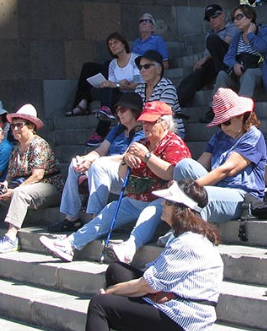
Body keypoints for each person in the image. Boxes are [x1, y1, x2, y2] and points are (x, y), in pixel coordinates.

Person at [48, 180, 222, 331]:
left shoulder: (187, 243)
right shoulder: (183, 237)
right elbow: (153, 280)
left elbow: (146, 286)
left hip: (184, 317)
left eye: (167, 202)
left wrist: (111, 293)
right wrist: (120, 288)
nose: (162, 205)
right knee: (117, 270)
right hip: (173, 301)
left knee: (100, 305)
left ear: (182, 211)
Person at [107, 89, 267, 264]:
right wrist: (181, 183)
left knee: (198, 197)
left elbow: (227, 170)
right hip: (216, 186)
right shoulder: (219, 136)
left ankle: (175, 249)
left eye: (226, 122)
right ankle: (146, 243)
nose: (223, 127)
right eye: (220, 123)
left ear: (241, 116)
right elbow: (199, 164)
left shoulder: (253, 136)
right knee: (183, 165)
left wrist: (187, 189)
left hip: (240, 194)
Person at [40, 102, 190, 263]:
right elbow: (122, 174)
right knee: (109, 210)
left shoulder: (174, 144)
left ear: (165, 123)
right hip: (136, 197)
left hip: (161, 199)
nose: (145, 126)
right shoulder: (142, 143)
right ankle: (70, 244)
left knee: (149, 213)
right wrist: (125, 160)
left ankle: (128, 249)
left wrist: (147, 156)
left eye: (151, 122)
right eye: (144, 121)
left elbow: (171, 173)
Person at [45, 93, 145, 235]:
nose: (119, 113)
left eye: (123, 110)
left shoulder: (142, 132)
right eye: (117, 110)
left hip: (126, 175)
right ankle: (71, 218)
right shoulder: (118, 129)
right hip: (103, 170)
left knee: (98, 166)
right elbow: (101, 150)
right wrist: (85, 159)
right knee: (75, 166)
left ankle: (96, 220)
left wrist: (95, 162)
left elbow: (127, 156)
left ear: (134, 111)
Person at [0, 105, 63, 254]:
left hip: (48, 185)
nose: (15, 129)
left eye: (19, 125)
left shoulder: (39, 144)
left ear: (31, 126)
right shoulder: (16, 148)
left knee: (20, 193)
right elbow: (11, 173)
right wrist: (5, 184)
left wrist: (14, 190)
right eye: (13, 126)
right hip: (27, 185)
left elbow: (38, 175)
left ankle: (11, 237)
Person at [203, 4, 267, 122]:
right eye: (234, 18)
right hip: (240, 73)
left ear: (249, 17)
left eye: (239, 17)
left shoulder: (264, 31)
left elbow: (262, 47)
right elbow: (228, 57)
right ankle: (215, 110)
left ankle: (242, 112)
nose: (235, 21)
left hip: (261, 71)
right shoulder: (237, 37)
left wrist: (250, 34)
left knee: (249, 73)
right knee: (222, 74)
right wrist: (234, 65)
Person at [176, 4, 237, 107]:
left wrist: (204, 58)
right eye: (209, 19)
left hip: (228, 59)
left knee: (213, 40)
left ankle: (220, 77)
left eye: (214, 17)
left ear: (222, 15)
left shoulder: (232, 27)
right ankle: (175, 105)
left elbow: (227, 43)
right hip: (213, 63)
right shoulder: (209, 34)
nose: (211, 20)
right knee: (192, 78)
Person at [66, 33, 141, 118]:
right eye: (110, 44)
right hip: (119, 95)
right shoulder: (112, 64)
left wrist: (118, 85)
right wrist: (115, 84)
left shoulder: (135, 59)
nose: (113, 46)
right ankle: (105, 111)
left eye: (115, 42)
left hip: (134, 95)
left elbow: (138, 84)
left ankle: (104, 116)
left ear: (123, 43)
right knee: (106, 86)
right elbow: (111, 84)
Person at [134, 50, 186, 139]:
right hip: (145, 128)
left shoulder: (167, 87)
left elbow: (161, 117)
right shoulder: (139, 89)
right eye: (140, 67)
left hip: (168, 130)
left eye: (146, 66)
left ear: (159, 69)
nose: (142, 70)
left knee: (139, 137)